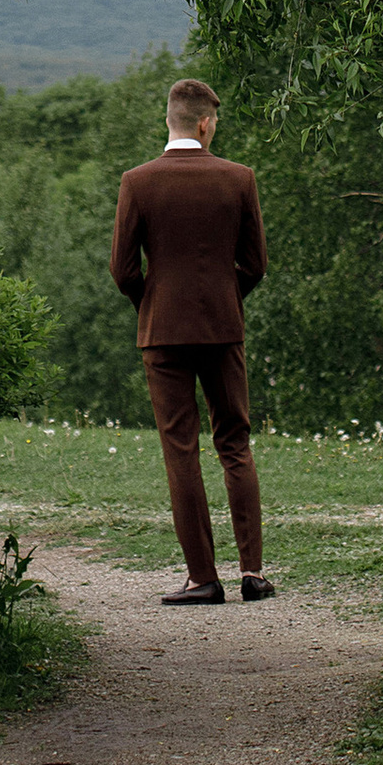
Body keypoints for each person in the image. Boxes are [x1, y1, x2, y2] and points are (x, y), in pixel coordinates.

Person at [109, 76, 273, 604]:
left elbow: (122, 269)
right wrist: (227, 297)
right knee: (235, 443)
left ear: (170, 121)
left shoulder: (137, 181)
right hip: (223, 329)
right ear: (205, 124)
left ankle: (203, 579)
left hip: (163, 335)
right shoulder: (239, 178)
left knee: (181, 450)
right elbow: (255, 264)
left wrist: (152, 304)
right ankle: (252, 572)